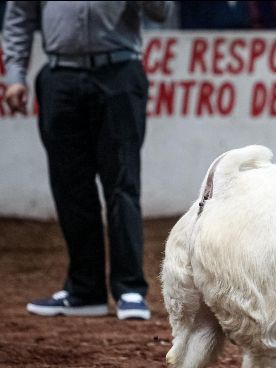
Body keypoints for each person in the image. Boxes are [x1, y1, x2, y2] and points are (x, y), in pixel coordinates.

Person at [3, 1, 172, 320]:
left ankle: (130, 289)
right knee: (71, 187)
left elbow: (160, 11)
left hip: (119, 72)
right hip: (59, 76)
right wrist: (15, 75)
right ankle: (85, 290)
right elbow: (19, 16)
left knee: (122, 183)